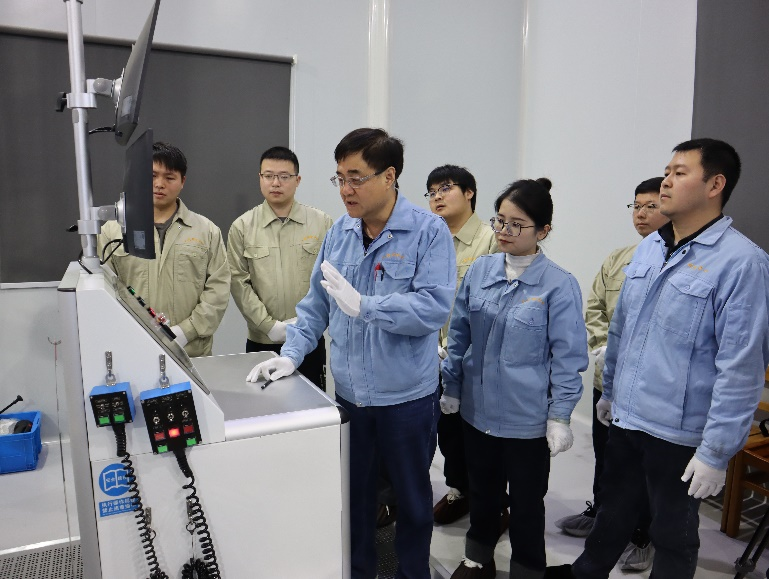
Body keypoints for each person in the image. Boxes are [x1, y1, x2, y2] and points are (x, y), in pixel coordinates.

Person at [246, 128, 455, 579]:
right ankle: (359, 570)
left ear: (389, 176)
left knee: (412, 500)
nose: (345, 189)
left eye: (356, 178)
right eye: (339, 178)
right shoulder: (339, 232)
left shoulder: (428, 232)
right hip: (351, 398)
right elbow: (316, 304)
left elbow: (433, 307)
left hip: (405, 398)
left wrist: (368, 306)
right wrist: (292, 353)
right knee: (354, 498)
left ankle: (412, 573)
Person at [570, 139, 769, 579]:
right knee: (612, 514)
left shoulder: (742, 263)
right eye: (666, 171)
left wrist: (716, 452)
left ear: (715, 185)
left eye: (680, 173)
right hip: (627, 416)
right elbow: (623, 328)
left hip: (679, 432)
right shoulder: (650, 248)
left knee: (672, 535)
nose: (666, 181)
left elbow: (740, 367)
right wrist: (611, 391)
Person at [441, 178, 588, 579]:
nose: (504, 231)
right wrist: (452, 386)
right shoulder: (481, 270)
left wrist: (560, 416)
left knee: (526, 501)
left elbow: (568, 358)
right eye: (500, 220)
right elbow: (460, 334)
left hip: (527, 420)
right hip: (477, 412)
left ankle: (527, 568)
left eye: (517, 224)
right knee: (482, 492)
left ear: (543, 231)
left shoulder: (558, 284)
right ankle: (478, 557)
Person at [555, 176, 668, 572]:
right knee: (607, 455)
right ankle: (602, 513)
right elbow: (595, 308)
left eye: (651, 205)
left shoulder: (678, 261)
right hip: (609, 381)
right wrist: (604, 347)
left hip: (651, 387)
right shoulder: (619, 259)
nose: (641, 213)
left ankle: (642, 534)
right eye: (636, 205)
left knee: (646, 467)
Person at [99, 142, 230, 357]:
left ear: (182, 181)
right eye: (151, 176)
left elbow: (218, 289)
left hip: (191, 352)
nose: (159, 184)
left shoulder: (207, 231)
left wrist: (186, 332)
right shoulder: (113, 231)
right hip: (134, 348)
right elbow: (105, 290)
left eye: (169, 178)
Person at [427, 165, 498, 526]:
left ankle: (494, 503)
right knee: (449, 431)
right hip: (436, 357)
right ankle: (459, 490)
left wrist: (458, 347)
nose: (437, 197)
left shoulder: (491, 240)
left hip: (478, 357)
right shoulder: (430, 240)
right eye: (431, 192)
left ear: (470, 192)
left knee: (482, 436)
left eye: (445, 188)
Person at [228, 146, 333, 389]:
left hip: (309, 340)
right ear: (260, 178)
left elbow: (329, 278)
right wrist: (269, 326)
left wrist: (309, 323)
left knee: (312, 405)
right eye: (269, 176)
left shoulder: (322, 223)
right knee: (265, 406)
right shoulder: (242, 227)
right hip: (262, 341)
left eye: (284, 176)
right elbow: (238, 283)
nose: (276, 183)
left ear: (297, 180)